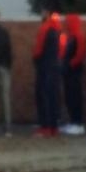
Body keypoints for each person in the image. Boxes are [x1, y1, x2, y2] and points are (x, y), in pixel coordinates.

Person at [32, 10, 65, 138]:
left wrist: (35, 59)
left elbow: (38, 48)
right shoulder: (59, 30)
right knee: (54, 96)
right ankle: (54, 127)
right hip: (56, 65)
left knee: (43, 95)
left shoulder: (45, 28)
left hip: (45, 65)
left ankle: (45, 127)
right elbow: (62, 48)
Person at [60, 14, 86, 136]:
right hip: (68, 71)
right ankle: (73, 121)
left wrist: (70, 64)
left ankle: (78, 122)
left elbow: (80, 54)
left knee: (75, 96)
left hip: (74, 71)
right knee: (69, 96)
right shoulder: (69, 36)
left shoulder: (77, 36)